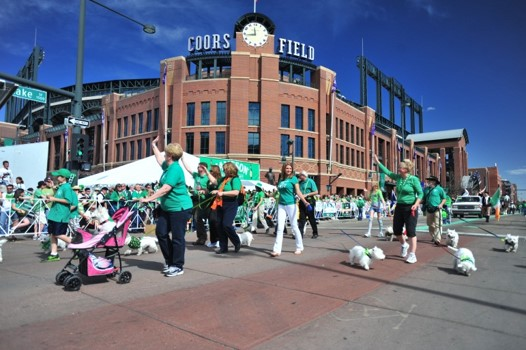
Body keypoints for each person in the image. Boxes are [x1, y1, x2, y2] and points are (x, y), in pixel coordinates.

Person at [140, 137, 193, 277]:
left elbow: (165, 189)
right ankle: (170, 261)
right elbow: (159, 160)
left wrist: (148, 199)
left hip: (179, 209)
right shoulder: (168, 166)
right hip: (167, 208)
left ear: (169, 155)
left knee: (177, 237)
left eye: (165, 153)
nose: (163, 154)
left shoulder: (175, 169)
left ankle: (177, 265)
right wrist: (153, 145)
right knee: (161, 233)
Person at [374, 154, 423, 264]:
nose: (398, 169)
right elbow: (387, 172)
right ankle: (404, 245)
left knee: (411, 232)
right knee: (396, 230)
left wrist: (416, 204)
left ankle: (412, 254)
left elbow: (420, 193)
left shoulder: (414, 179)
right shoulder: (398, 178)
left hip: (411, 207)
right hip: (399, 207)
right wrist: (378, 162)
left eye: (400, 167)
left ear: (405, 169)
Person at [270, 162, 312, 257]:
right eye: (287, 168)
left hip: (291, 204)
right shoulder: (281, 179)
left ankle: (299, 247)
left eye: (290, 168)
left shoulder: (293, 179)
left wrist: (305, 202)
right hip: (281, 204)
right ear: (284, 169)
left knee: (294, 226)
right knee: (280, 227)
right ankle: (277, 250)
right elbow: (278, 191)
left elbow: (298, 192)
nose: (288, 170)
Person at [45, 168, 77, 261]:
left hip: (61, 215)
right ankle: (54, 253)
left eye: (58, 176)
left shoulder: (67, 187)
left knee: (59, 234)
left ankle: (77, 246)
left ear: (63, 178)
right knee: (53, 234)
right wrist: (50, 198)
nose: (56, 177)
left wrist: (54, 199)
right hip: (54, 214)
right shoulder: (61, 187)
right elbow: (57, 198)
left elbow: (68, 201)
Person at [210, 162, 241, 254]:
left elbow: (236, 192)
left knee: (226, 224)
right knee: (219, 225)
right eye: (223, 169)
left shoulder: (235, 179)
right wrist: (207, 173)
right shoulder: (223, 179)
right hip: (221, 203)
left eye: (225, 169)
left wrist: (222, 193)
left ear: (230, 169)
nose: (224, 171)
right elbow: (215, 182)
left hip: (231, 204)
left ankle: (236, 242)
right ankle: (223, 247)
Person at [182, 161, 215, 246]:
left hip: (207, 202)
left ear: (204, 168)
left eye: (200, 167)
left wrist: (204, 190)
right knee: (197, 219)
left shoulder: (208, 177)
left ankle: (215, 239)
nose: (198, 169)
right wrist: (183, 159)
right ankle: (201, 238)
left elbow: (212, 187)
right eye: (198, 167)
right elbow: (188, 169)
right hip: (197, 200)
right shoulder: (196, 175)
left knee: (212, 220)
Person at [422, 176, 446, 245]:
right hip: (428, 209)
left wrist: (441, 204)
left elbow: (444, 198)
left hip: (437, 209)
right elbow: (423, 199)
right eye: (428, 180)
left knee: (438, 224)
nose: (428, 182)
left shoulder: (439, 189)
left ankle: (437, 239)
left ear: (434, 182)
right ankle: (434, 236)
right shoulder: (426, 189)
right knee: (430, 224)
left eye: (430, 180)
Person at [297, 170, 319, 239]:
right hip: (302, 201)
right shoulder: (299, 182)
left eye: (300, 175)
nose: (299, 177)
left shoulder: (310, 181)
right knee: (301, 218)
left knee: (311, 218)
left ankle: (315, 233)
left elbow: (316, 192)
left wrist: (307, 194)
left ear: (304, 176)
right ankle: (300, 234)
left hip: (310, 201)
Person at [205, 165, 221, 248]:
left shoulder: (219, 180)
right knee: (211, 221)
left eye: (211, 170)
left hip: (218, 202)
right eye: (209, 171)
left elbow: (223, 189)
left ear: (215, 171)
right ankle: (213, 240)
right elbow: (208, 191)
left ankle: (219, 240)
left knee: (215, 221)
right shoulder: (208, 181)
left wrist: (217, 191)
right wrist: (204, 191)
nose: (210, 172)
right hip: (209, 203)